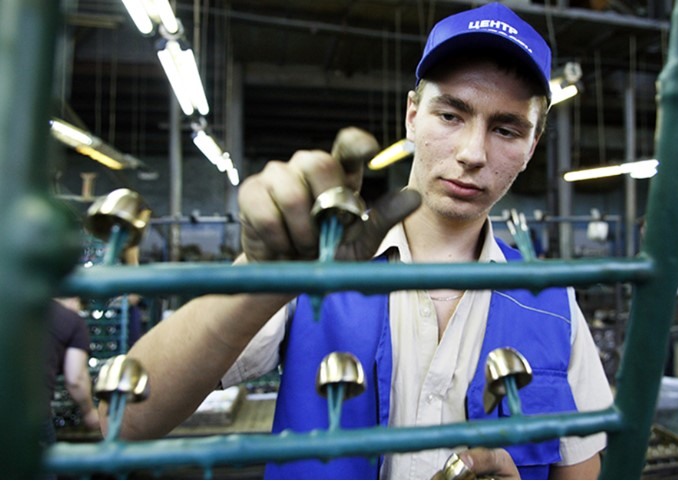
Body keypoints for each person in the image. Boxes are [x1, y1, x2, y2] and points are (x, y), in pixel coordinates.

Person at [103, 3, 612, 479]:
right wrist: (262, 279)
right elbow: (122, 419)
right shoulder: (317, 271)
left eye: (506, 129)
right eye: (451, 115)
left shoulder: (554, 305)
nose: (472, 152)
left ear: (532, 146)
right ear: (412, 115)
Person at [43, 298, 100, 445]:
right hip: (28, 412)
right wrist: (89, 412)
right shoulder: (72, 320)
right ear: (75, 300)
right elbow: (76, 379)